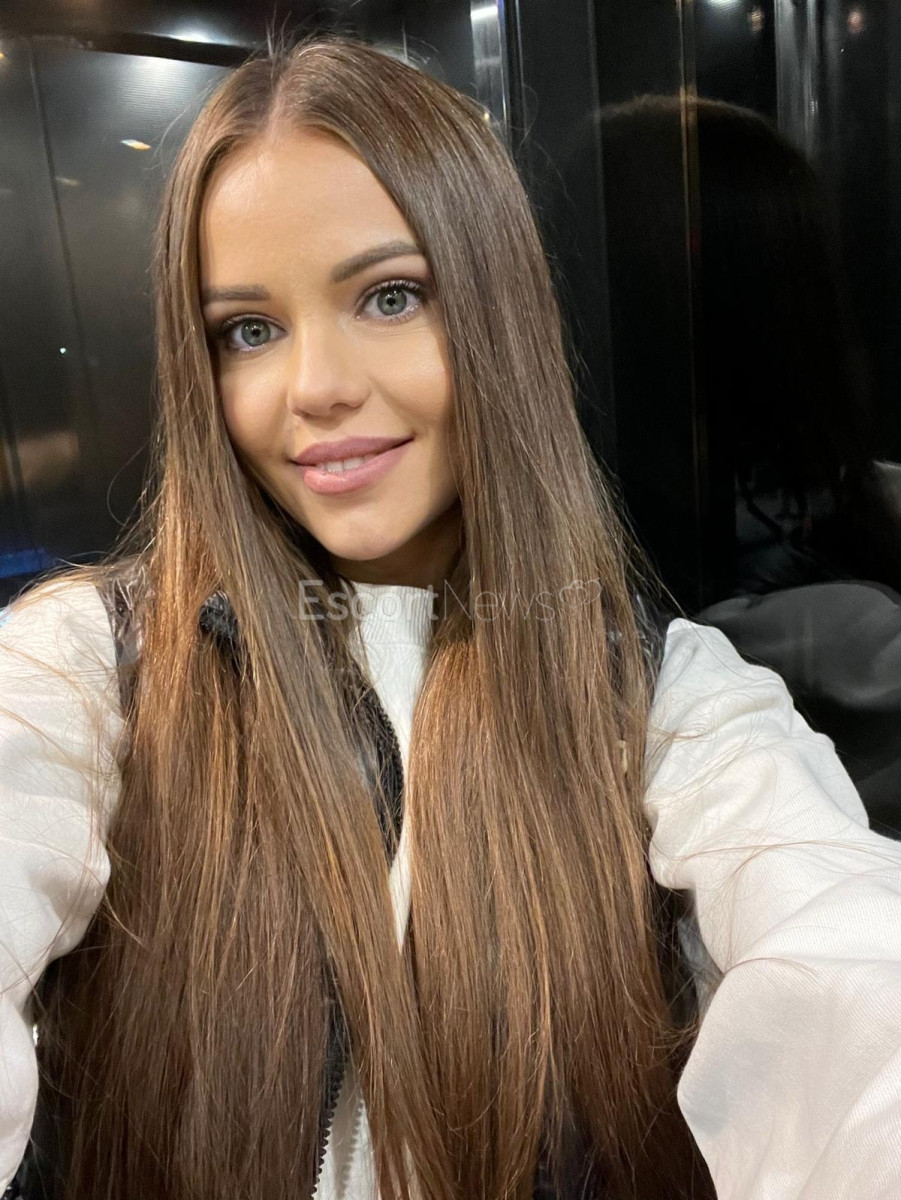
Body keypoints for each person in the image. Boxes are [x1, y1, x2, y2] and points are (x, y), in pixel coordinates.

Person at [0, 33, 899, 1200]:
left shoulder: (661, 698)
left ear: (495, 312)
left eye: (390, 297)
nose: (316, 386)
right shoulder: (90, 670)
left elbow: (846, 971)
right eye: (248, 331)